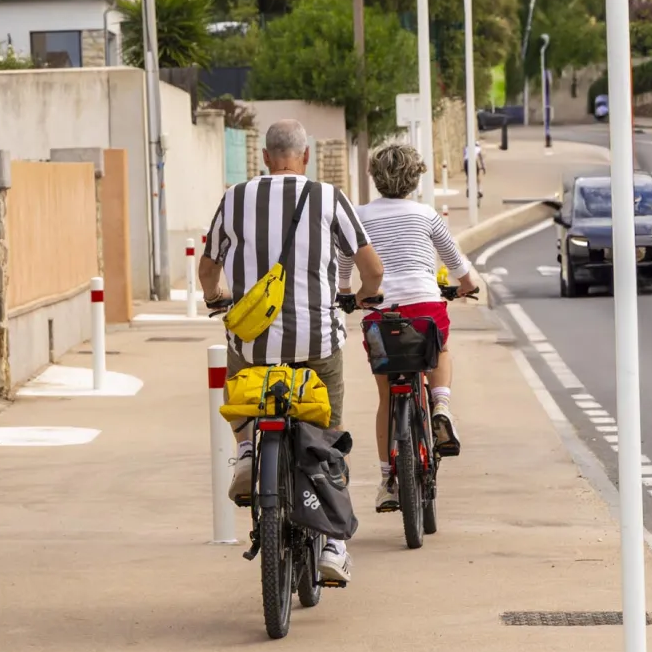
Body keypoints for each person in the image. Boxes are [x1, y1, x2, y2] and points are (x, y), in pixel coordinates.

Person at [199, 119, 384, 583]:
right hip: (316, 339)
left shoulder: (235, 197)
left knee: (241, 378)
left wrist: (216, 297)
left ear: (264, 157)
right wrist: (365, 296)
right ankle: (334, 545)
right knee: (330, 434)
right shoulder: (328, 197)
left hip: (254, 343)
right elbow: (373, 270)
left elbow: (208, 268)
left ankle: (247, 451)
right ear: (306, 156)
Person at [339, 144, 478, 512]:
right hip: (424, 307)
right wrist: (466, 286)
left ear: (374, 177)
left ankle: (388, 479)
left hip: (381, 312)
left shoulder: (359, 215)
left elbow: (344, 257)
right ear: (415, 179)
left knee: (386, 397)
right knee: (440, 348)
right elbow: (455, 261)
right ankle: (441, 406)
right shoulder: (426, 214)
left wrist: (345, 293)